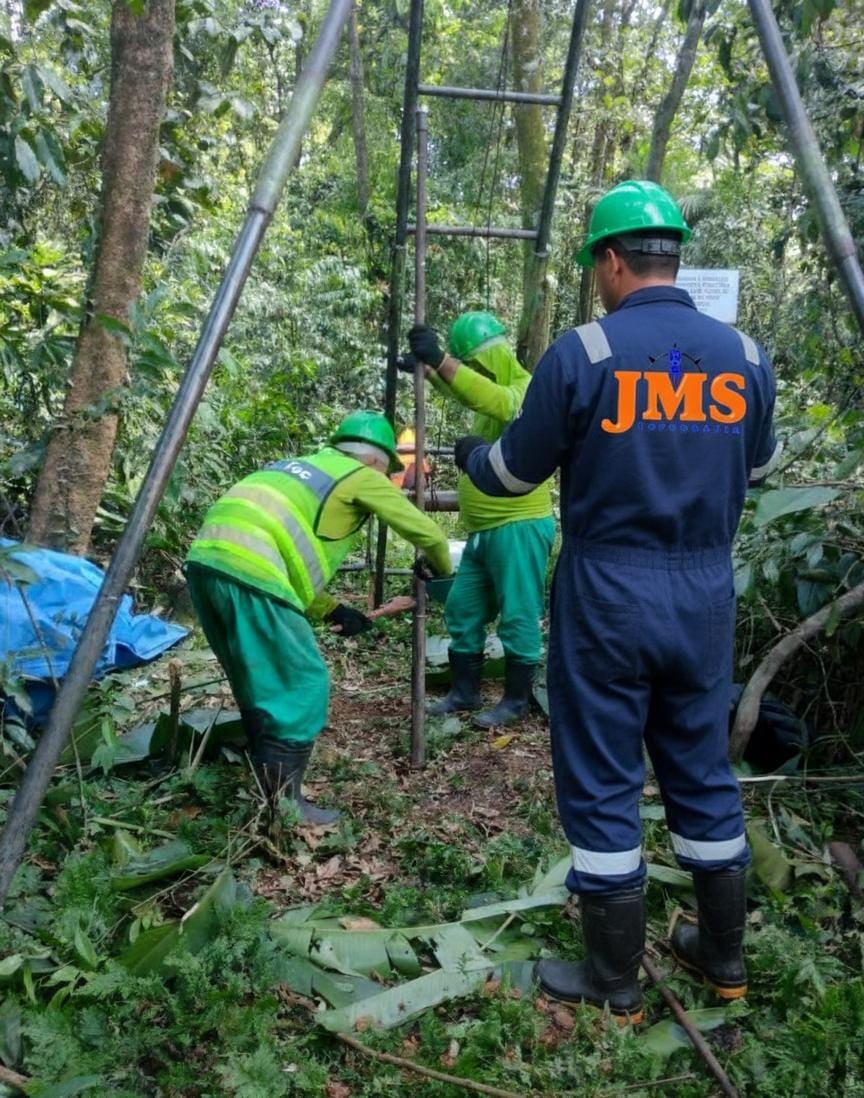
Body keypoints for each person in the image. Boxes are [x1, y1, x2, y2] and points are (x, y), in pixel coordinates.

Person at [457, 180, 781, 1022]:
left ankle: (613, 982)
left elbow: (512, 474)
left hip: (608, 592)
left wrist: (468, 454)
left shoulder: (586, 353)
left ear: (611, 258)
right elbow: (752, 470)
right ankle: (724, 958)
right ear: (672, 251)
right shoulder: (747, 356)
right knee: (702, 771)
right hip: (704, 590)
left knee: (604, 778)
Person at [185, 411, 452, 824]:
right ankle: (284, 808)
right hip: (252, 571)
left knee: (256, 678)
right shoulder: (359, 475)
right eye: (388, 474)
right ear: (375, 462)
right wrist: (439, 570)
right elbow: (430, 535)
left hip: (207, 564)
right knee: (303, 681)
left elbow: (289, 551)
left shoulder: (302, 468)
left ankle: (266, 788)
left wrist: (333, 610)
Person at [401, 312, 555, 728]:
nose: (471, 373)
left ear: (497, 356)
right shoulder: (486, 393)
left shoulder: (525, 389)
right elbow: (469, 392)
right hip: (484, 532)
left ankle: (517, 699)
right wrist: (432, 369)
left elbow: (494, 399)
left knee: (519, 613)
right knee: (462, 609)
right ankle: (464, 691)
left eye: (476, 364)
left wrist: (441, 361)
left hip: (519, 525)